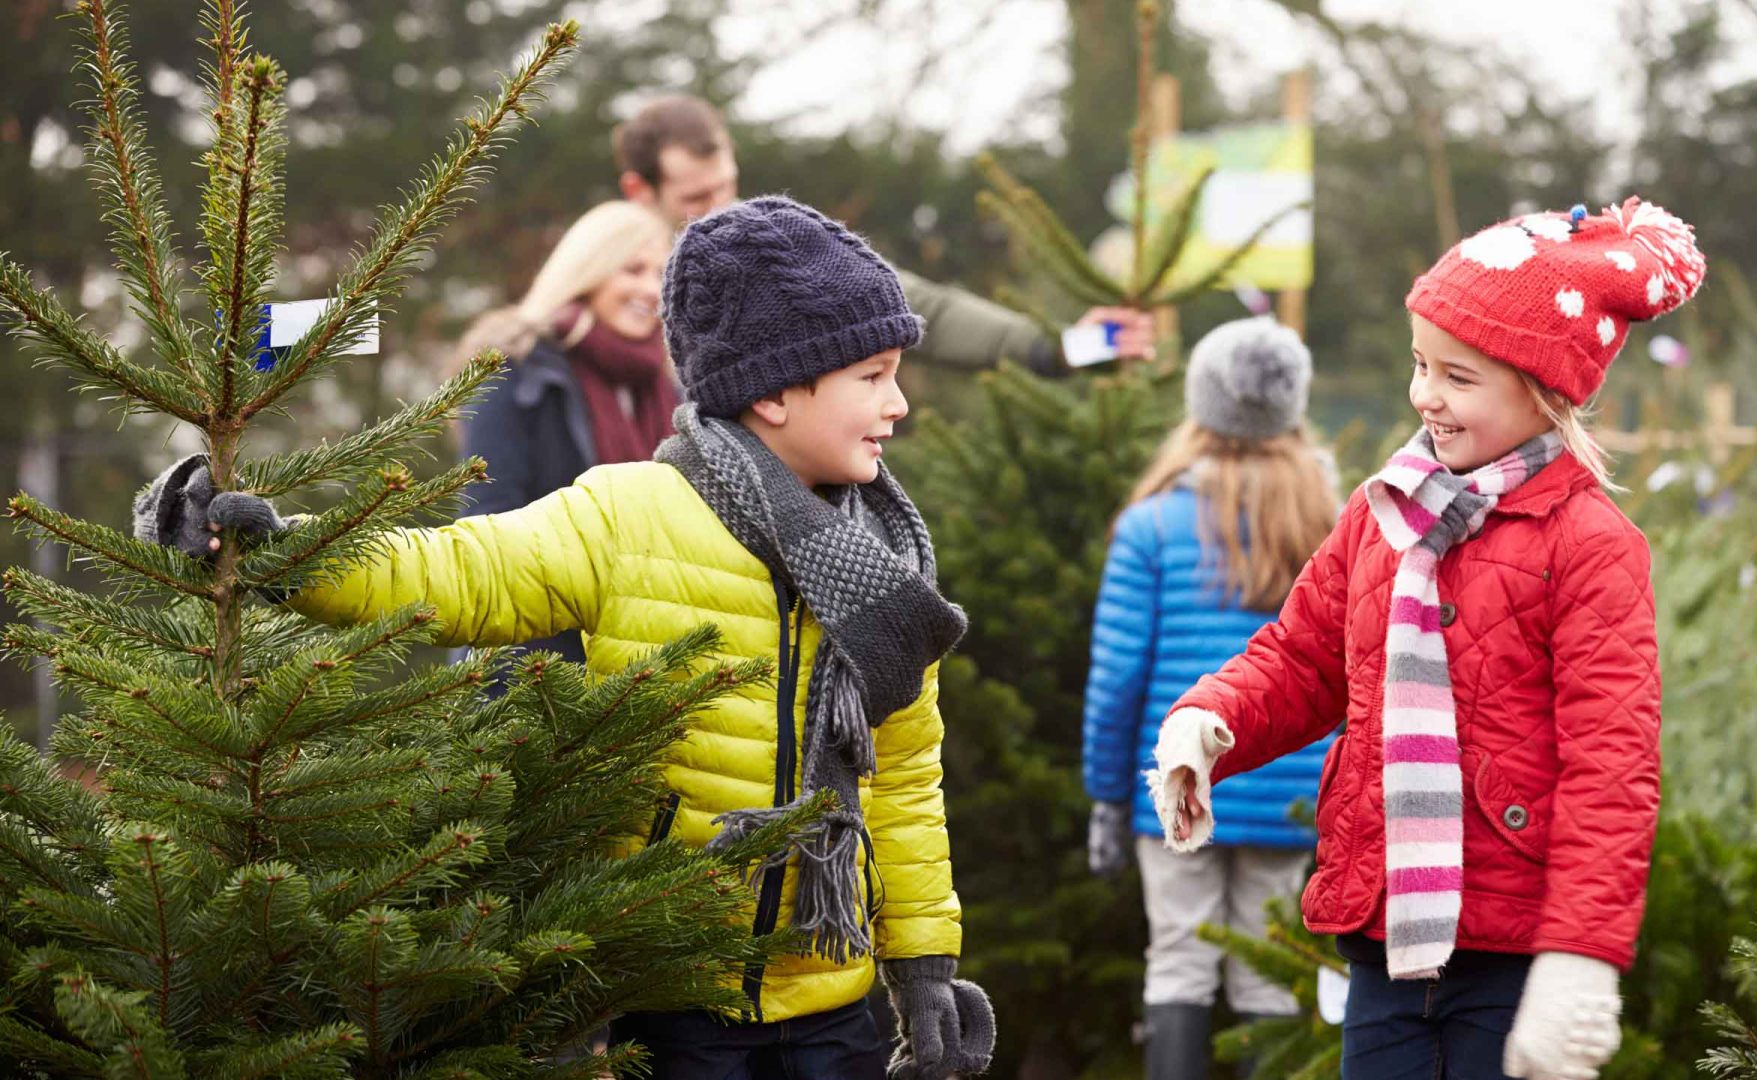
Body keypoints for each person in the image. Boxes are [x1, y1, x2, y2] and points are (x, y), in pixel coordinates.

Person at [136, 195, 995, 1080]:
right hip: (672, 999)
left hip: (834, 1000)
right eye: (873, 375)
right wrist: (287, 547)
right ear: (775, 389)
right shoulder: (630, 513)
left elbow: (901, 782)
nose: (897, 404)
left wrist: (924, 967)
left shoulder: (884, 565)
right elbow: (457, 569)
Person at [1147, 199, 1706, 1080]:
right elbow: (1301, 655)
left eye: (1458, 377)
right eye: (1420, 366)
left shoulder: (1591, 545)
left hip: (1513, 949)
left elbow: (1612, 765)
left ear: (1542, 388)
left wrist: (1581, 957)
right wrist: (1213, 719)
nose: (1425, 397)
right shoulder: (1382, 515)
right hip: (1385, 936)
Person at [1081, 317, 1340, 1080]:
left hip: (1178, 783)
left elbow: (1118, 677)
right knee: (1267, 965)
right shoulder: (1327, 522)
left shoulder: (1151, 526)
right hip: (1291, 787)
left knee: (1179, 959)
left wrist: (1105, 795)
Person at [611, 93, 1156, 374]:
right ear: (640, 190)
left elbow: (925, 311)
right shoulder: (605, 285)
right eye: (695, 200)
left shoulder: (776, 256)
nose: (720, 209)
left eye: (726, 186)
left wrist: (1070, 347)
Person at [453, 199, 678, 666]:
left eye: (662, 274)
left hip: (637, 666)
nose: (652, 289)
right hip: (525, 664)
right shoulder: (515, 366)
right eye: (633, 269)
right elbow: (489, 525)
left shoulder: (669, 391)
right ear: (589, 270)